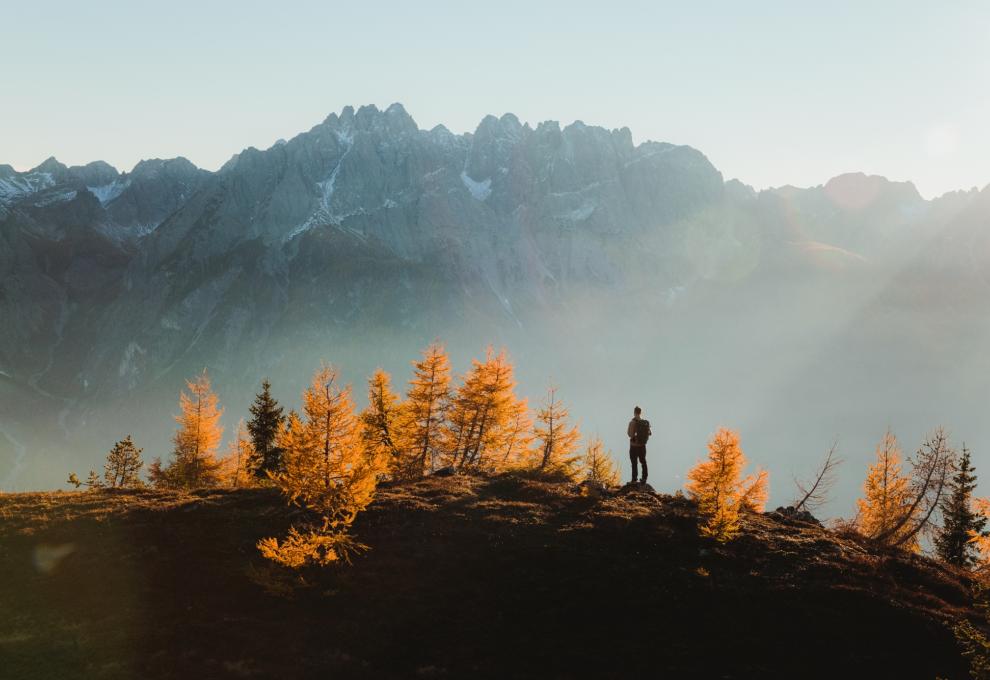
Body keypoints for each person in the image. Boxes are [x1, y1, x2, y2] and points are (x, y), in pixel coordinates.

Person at [627, 406, 651, 484]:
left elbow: (630, 434)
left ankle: (634, 479)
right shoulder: (645, 422)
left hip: (634, 446)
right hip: (642, 445)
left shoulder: (632, 422)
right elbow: (649, 433)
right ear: (640, 412)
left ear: (634, 412)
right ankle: (644, 478)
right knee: (643, 461)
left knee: (634, 463)